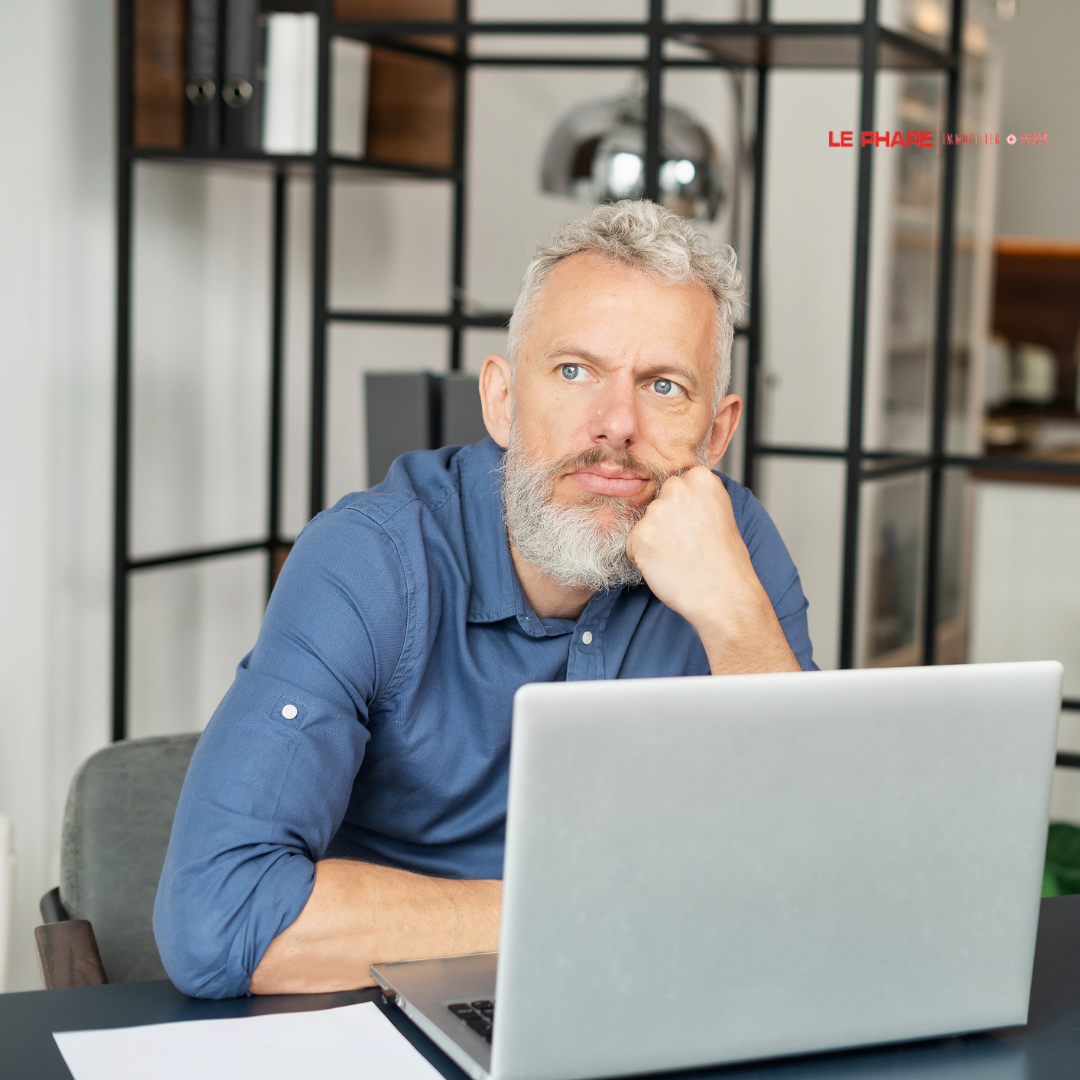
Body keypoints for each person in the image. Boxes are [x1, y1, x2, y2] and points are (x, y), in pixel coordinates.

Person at [154, 199, 816, 1000]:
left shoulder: (735, 549)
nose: (616, 425)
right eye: (574, 371)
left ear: (715, 432)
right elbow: (219, 921)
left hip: (653, 1002)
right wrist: (588, 910)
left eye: (665, 385)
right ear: (501, 399)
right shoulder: (369, 560)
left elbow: (813, 884)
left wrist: (736, 619)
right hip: (401, 1014)